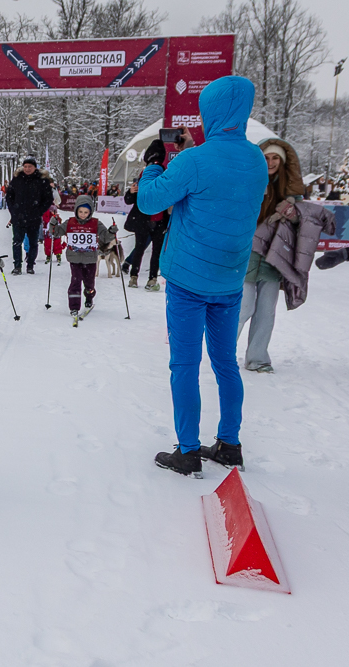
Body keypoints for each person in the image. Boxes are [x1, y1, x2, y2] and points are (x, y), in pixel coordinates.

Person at [137, 76, 269, 477]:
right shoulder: (257, 159)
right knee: (226, 363)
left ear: (209, 112)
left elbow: (149, 201)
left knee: (185, 365)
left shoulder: (194, 160)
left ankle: (189, 451)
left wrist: (153, 167)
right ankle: (230, 444)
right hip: (229, 279)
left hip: (189, 280)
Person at [238, 140, 335, 373]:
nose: (270, 162)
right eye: (266, 157)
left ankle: (257, 359)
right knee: (243, 306)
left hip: (274, 259)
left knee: (266, 311)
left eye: (275, 158)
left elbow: (302, 227)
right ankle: (223, 353)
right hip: (248, 254)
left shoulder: (291, 193)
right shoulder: (248, 181)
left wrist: (293, 217)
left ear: (282, 162)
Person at [48, 195, 117, 318]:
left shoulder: (96, 223)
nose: (83, 214)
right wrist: (53, 225)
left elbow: (105, 237)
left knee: (89, 282)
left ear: (90, 211)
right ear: (76, 210)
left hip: (90, 259)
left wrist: (111, 232)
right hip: (74, 257)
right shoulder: (70, 222)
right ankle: (74, 306)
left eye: (86, 212)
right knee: (75, 280)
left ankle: (89, 297)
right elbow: (56, 233)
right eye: (80, 212)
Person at [121, 165, 167, 290]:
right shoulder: (146, 184)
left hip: (156, 223)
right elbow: (128, 200)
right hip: (147, 222)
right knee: (143, 249)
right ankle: (141, 277)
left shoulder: (157, 184)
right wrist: (130, 192)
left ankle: (145, 278)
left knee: (149, 251)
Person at [5, 157, 53, 275]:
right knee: (17, 242)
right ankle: (17, 266)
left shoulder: (42, 180)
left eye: (29, 167)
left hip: (34, 217)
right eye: (25, 166)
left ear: (34, 167)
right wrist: (13, 210)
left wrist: (39, 211)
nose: (27, 169)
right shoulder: (17, 179)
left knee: (33, 243)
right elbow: (9, 196)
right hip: (18, 216)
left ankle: (30, 265)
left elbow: (48, 199)